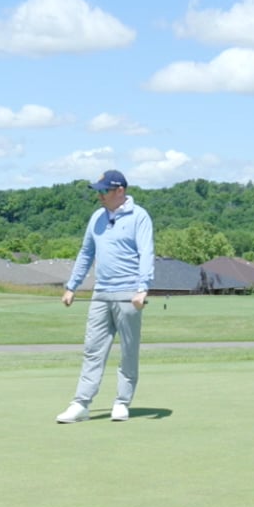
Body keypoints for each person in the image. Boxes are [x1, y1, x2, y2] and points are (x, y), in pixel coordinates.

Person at [57, 170, 154, 423]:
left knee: (128, 351)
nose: (99, 195)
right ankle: (81, 403)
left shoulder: (139, 216)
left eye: (104, 190)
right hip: (101, 293)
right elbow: (86, 253)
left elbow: (146, 253)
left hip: (129, 293)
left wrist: (143, 288)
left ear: (120, 191)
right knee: (93, 349)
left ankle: (122, 402)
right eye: (98, 191)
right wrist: (72, 286)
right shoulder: (97, 217)